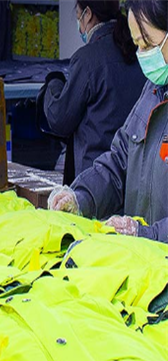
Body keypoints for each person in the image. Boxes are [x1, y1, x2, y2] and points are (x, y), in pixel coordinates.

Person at [49, 0, 168, 244]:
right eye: (138, 46)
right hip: (143, 268)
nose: (143, 55)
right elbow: (119, 162)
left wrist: (147, 234)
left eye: (150, 45)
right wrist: (81, 197)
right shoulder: (152, 91)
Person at [39, 0, 146, 184]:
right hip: (135, 177)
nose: (79, 25)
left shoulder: (88, 59)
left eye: (78, 17)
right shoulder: (139, 52)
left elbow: (60, 119)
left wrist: (54, 83)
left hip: (96, 179)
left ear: (87, 14)